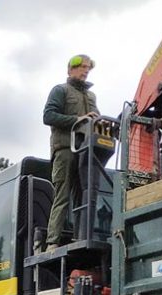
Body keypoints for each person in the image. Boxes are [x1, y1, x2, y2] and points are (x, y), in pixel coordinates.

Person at [43, 53, 100, 252]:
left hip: (86, 151)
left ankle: (79, 238)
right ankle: (52, 242)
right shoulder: (61, 91)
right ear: (70, 70)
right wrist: (78, 119)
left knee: (82, 197)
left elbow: (95, 122)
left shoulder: (91, 96)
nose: (85, 70)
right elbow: (48, 116)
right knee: (62, 195)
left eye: (88, 67)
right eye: (82, 66)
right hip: (65, 149)